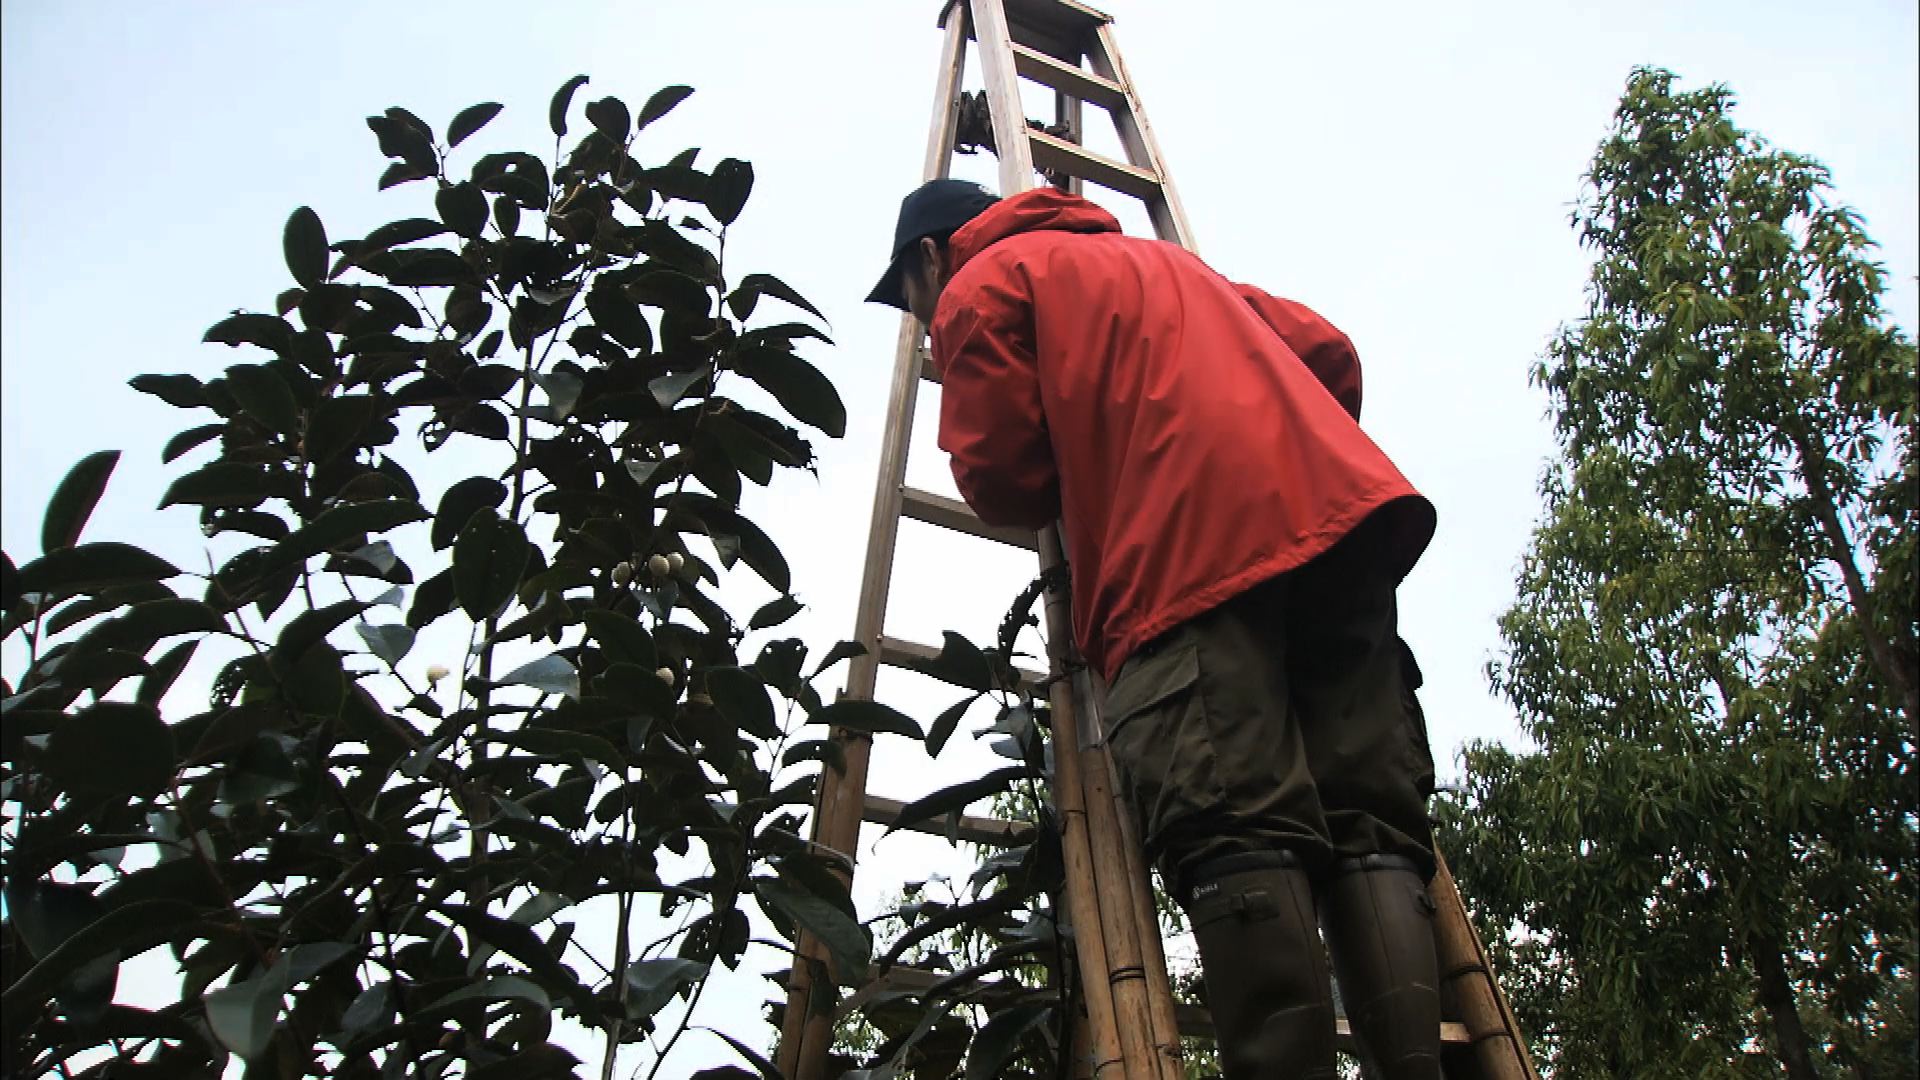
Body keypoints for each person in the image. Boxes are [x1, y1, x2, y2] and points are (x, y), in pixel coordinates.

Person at [867, 177, 1443, 1080]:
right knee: (1369, 823)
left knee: (1232, 817)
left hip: (1185, 555)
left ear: (931, 256)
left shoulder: (986, 283)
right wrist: (1265, 445)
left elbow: (1003, 477)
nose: (923, 319)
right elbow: (1330, 352)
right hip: (1340, 532)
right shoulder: (1174, 265)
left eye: (912, 298)